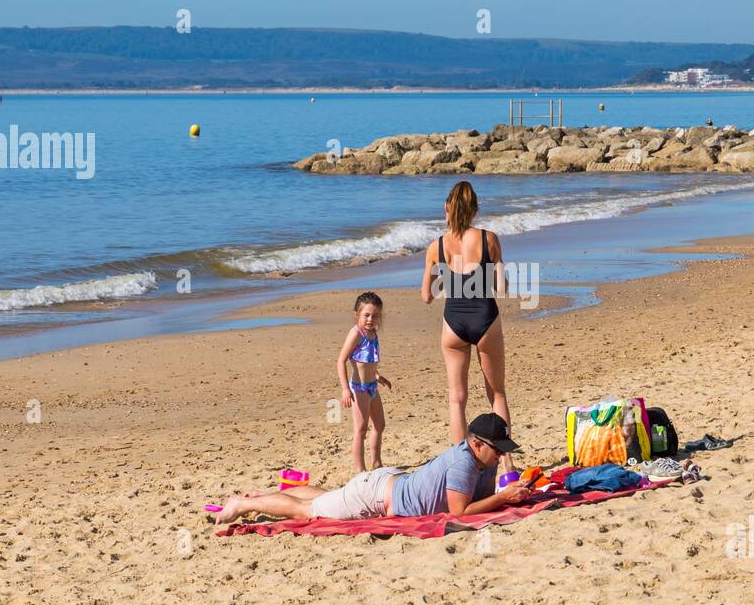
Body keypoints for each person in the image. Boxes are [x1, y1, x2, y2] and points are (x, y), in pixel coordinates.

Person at [213, 413, 529, 523]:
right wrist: (503, 498)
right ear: (476, 444)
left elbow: (478, 502)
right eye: (497, 449)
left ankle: (269, 495)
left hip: (385, 484)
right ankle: (244, 503)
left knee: (326, 497)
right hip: (375, 496)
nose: (501, 455)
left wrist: (505, 485)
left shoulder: (481, 460)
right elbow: (460, 513)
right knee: (307, 512)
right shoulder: (464, 462)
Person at [422, 182, 512, 462]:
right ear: (474, 210)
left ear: (447, 209)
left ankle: (461, 464)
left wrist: (444, 276)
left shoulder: (436, 247)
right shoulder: (489, 239)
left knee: (456, 399)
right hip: (485, 318)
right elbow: (502, 288)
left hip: (454, 323)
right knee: (497, 393)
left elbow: (426, 296)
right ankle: (506, 462)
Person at [336, 292, 392, 473]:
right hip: (358, 388)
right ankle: (360, 470)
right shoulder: (356, 334)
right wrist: (345, 389)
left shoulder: (373, 334)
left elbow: (367, 360)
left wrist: (377, 376)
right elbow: (341, 361)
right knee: (360, 430)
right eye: (366, 315)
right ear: (357, 314)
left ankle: (376, 463)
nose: (370, 319)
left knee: (379, 425)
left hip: (372, 387)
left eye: (375, 316)